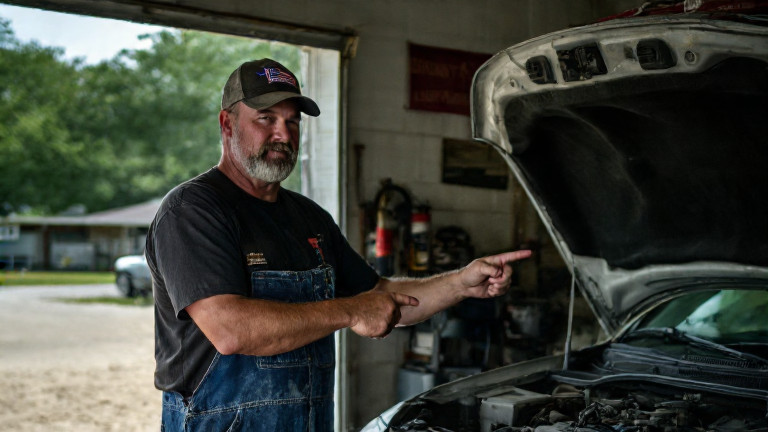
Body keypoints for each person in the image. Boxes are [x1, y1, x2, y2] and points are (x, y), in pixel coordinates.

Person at [145, 58, 532, 431]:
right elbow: (230, 329)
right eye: (266, 119)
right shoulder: (192, 211)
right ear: (226, 123)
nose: (283, 134)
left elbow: (380, 297)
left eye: (292, 122)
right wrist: (351, 311)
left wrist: (461, 283)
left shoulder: (309, 218)